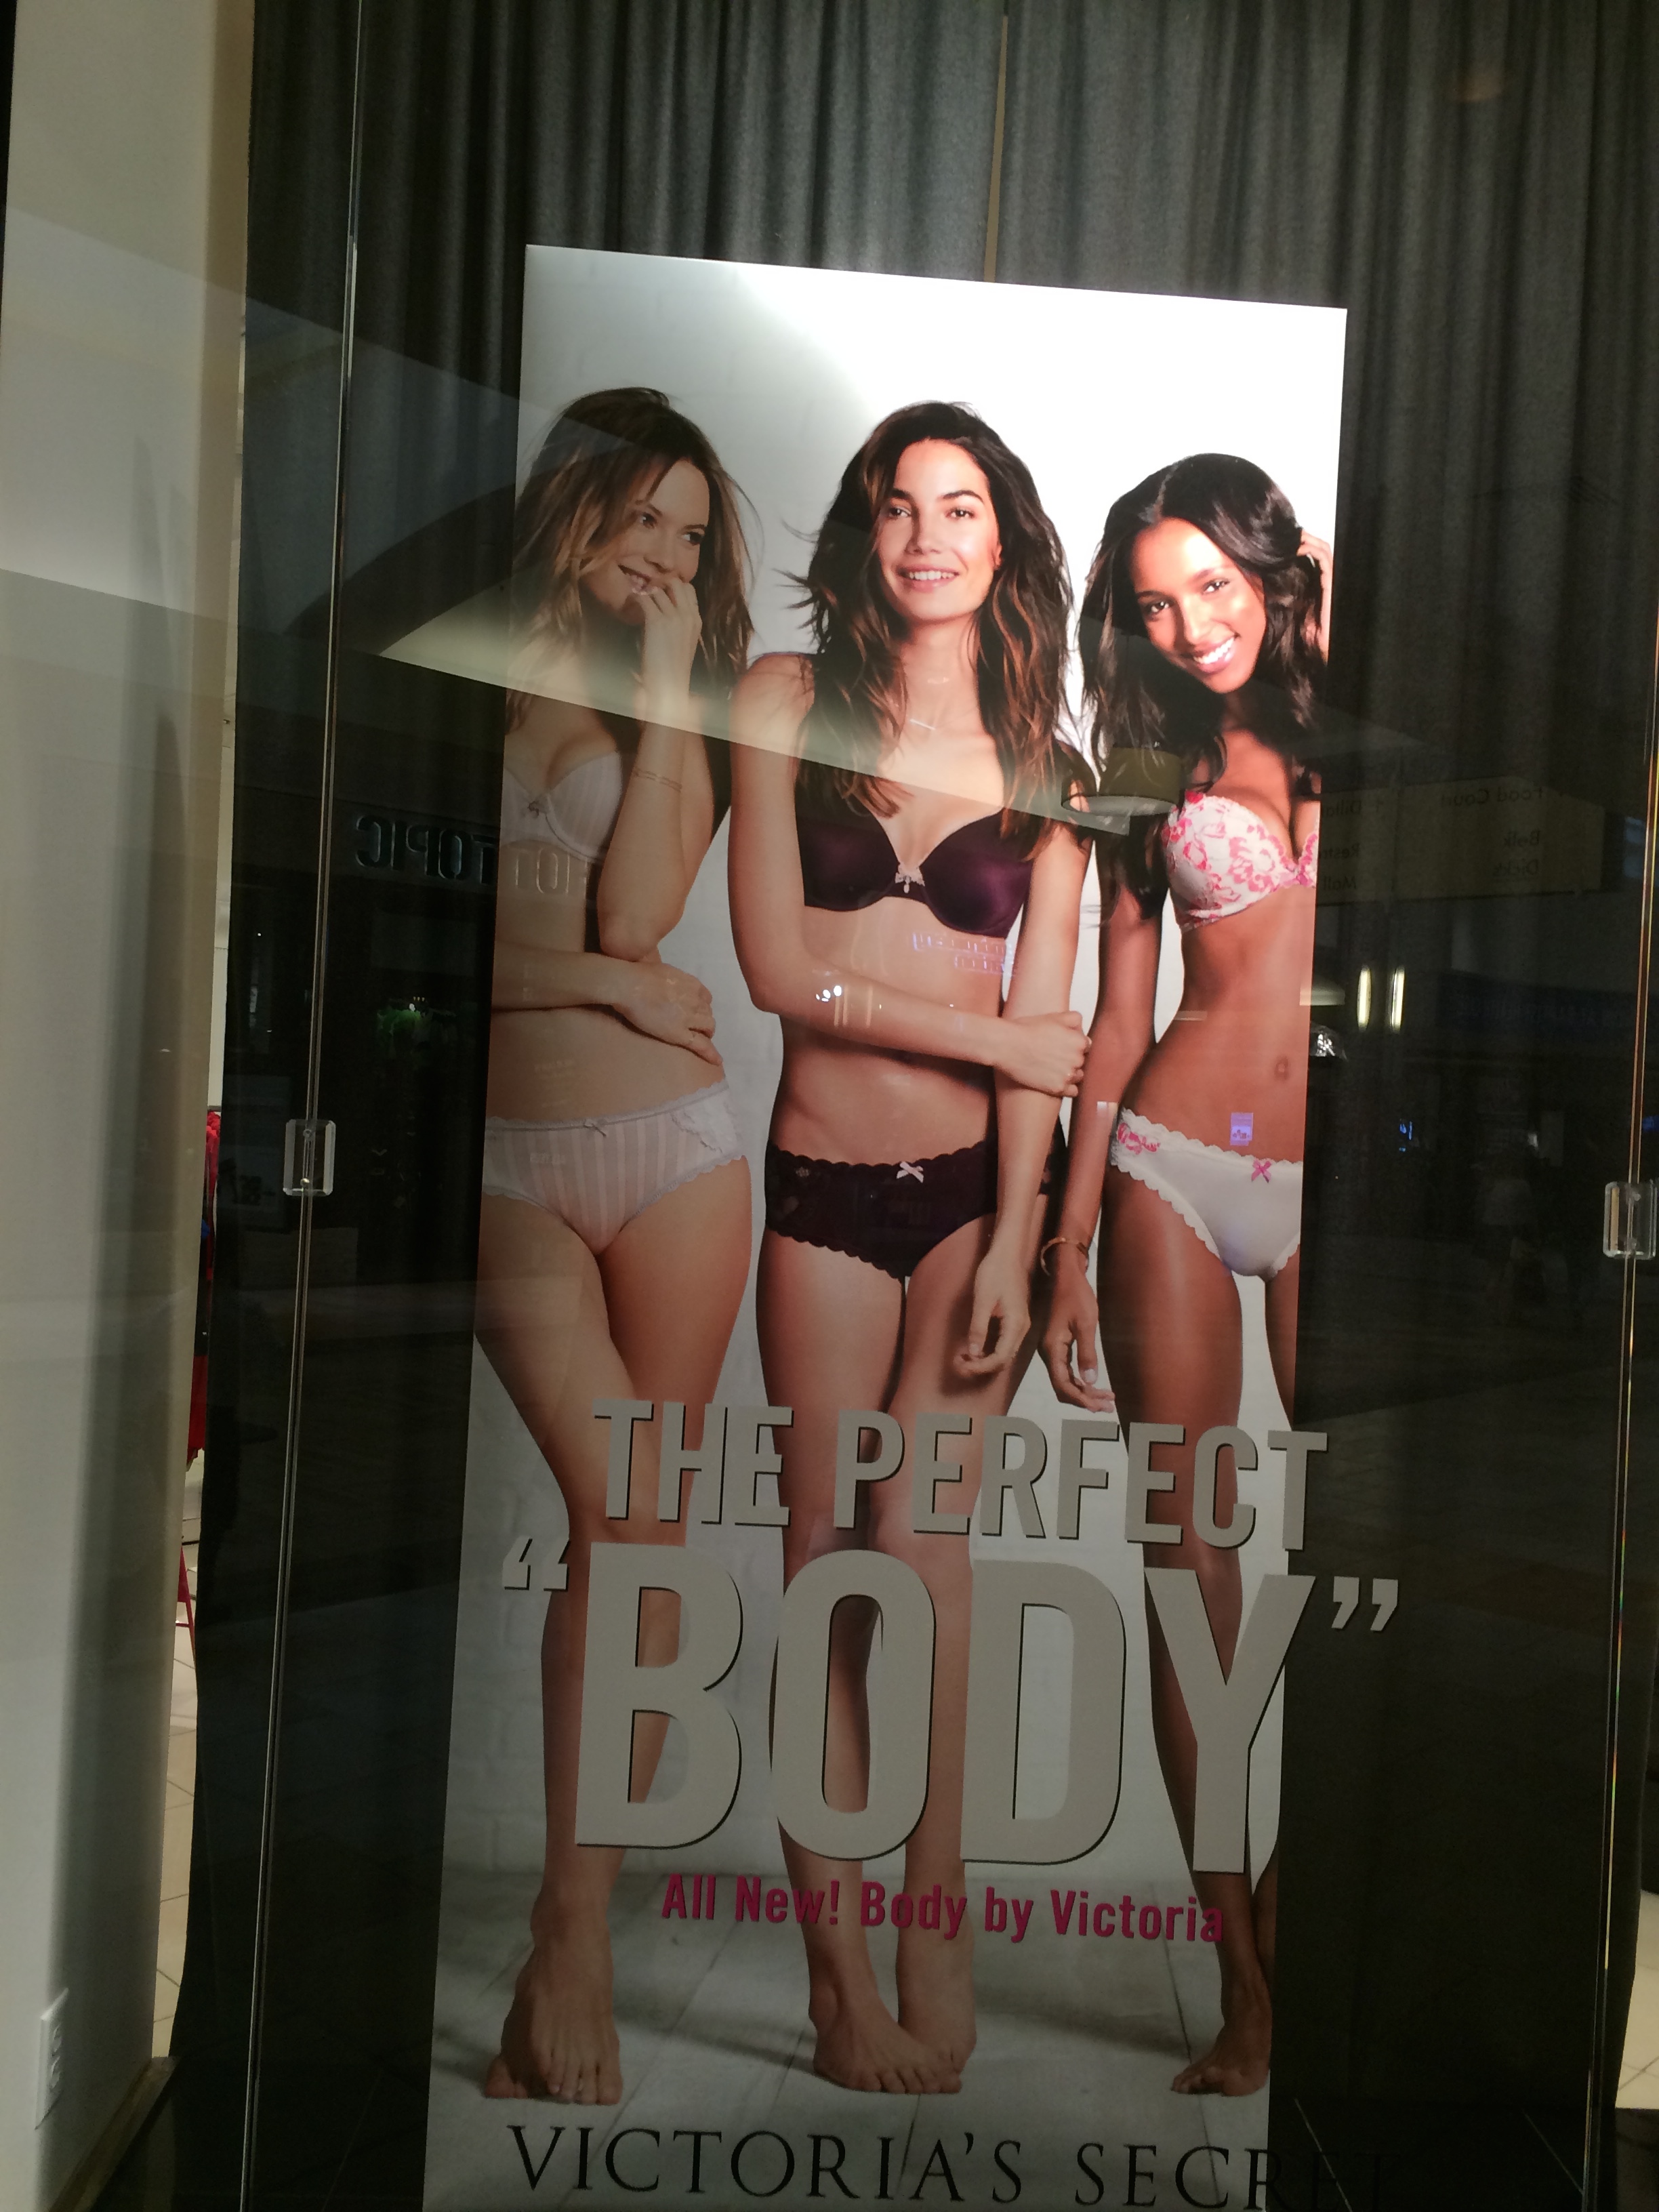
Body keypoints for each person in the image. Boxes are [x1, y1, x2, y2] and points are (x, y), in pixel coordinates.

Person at [729, 401, 1092, 2095]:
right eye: (896, 507)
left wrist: (1018, 1240)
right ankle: (837, 1976)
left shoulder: (1050, 772)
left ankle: (934, 1920)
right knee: (826, 1570)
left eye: (958, 507)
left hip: (967, 1204)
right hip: (819, 1185)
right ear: (864, 534)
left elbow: (1048, 1039)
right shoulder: (782, 701)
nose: (926, 536)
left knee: (924, 1556)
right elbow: (773, 967)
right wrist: (1002, 1038)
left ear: (1003, 538)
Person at [1041, 453, 1332, 2098]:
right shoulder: (1148, 758)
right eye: (1153, 604)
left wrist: (1316, 587)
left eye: (1213, 585)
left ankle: (1304, 1909)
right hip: (1170, 1164)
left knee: (1352, 1547)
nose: (1190, 626)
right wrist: (1064, 1248)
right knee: (1188, 1563)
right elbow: (1117, 1016)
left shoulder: (1350, 715)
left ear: (1272, 572)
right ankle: (1240, 1976)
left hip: (1325, 1186)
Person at [478, 388, 754, 2106]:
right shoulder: (460, 670)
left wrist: (663, 692)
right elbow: (439, 948)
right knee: (618, 1510)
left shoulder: (672, 706)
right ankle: (567, 1936)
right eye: (644, 516)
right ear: (575, 505)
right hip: (505, 1164)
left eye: (693, 538)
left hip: (680, 1163)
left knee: (637, 1534)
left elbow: (648, 911)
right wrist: (599, 982)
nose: (665, 555)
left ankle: (570, 1930)